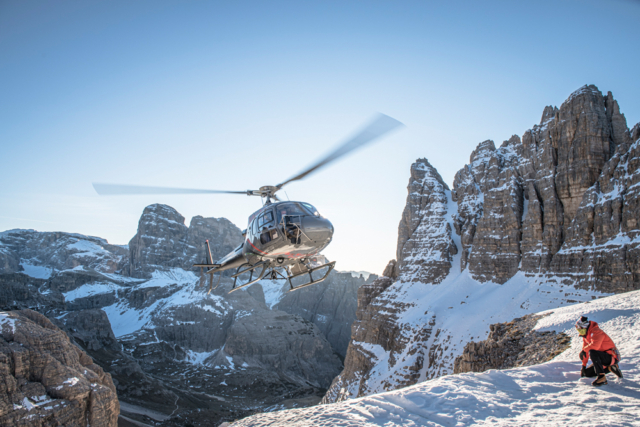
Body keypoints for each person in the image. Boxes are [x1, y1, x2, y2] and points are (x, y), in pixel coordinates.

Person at [576, 316, 623, 386]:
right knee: (587, 373)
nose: (579, 331)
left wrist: (584, 350)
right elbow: (585, 352)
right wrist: (583, 366)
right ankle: (611, 367)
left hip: (612, 356)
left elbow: (595, 346)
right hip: (603, 358)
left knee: (592, 352)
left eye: (580, 329)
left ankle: (602, 377)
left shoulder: (597, 332)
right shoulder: (586, 336)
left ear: (584, 327)